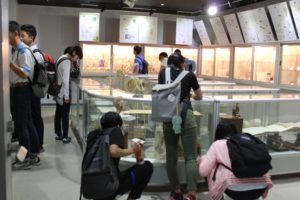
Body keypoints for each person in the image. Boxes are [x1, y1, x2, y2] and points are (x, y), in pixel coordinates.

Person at [158, 54, 202, 200]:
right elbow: (199, 96)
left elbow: (162, 92)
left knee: (171, 155)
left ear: (168, 63)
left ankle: (176, 191)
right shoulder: (189, 75)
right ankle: (191, 193)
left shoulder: (162, 73)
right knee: (190, 157)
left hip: (168, 115)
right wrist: (190, 95)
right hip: (186, 114)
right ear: (183, 64)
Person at [86, 112, 153, 200]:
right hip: (110, 188)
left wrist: (124, 136)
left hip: (91, 187)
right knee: (147, 167)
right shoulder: (115, 130)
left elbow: (117, 148)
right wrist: (133, 150)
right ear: (118, 125)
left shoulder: (92, 135)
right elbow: (113, 151)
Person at [198, 122, 273, 200]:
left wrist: (203, 159)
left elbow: (203, 171)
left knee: (213, 166)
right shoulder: (244, 142)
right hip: (262, 186)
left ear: (218, 133)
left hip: (236, 189)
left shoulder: (217, 144)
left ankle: (218, 197)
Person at [9, 21, 40, 169]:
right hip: (19, 90)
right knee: (27, 123)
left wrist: (9, 64)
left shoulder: (23, 51)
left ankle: (24, 158)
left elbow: (24, 72)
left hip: (22, 90)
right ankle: (33, 153)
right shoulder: (16, 50)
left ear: (14, 33)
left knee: (22, 126)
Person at [20, 24, 45, 152]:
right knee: (33, 117)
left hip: (33, 89)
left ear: (31, 38)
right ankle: (36, 144)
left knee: (35, 117)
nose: (20, 38)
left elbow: (32, 74)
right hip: (30, 89)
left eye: (23, 35)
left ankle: (38, 144)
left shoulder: (35, 54)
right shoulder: (28, 51)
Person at [54, 46, 83, 144]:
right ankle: (65, 137)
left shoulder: (60, 57)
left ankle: (58, 134)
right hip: (63, 92)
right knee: (65, 114)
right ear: (74, 53)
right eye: (77, 57)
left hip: (58, 91)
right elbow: (66, 81)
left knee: (58, 113)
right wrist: (67, 96)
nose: (76, 60)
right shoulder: (67, 61)